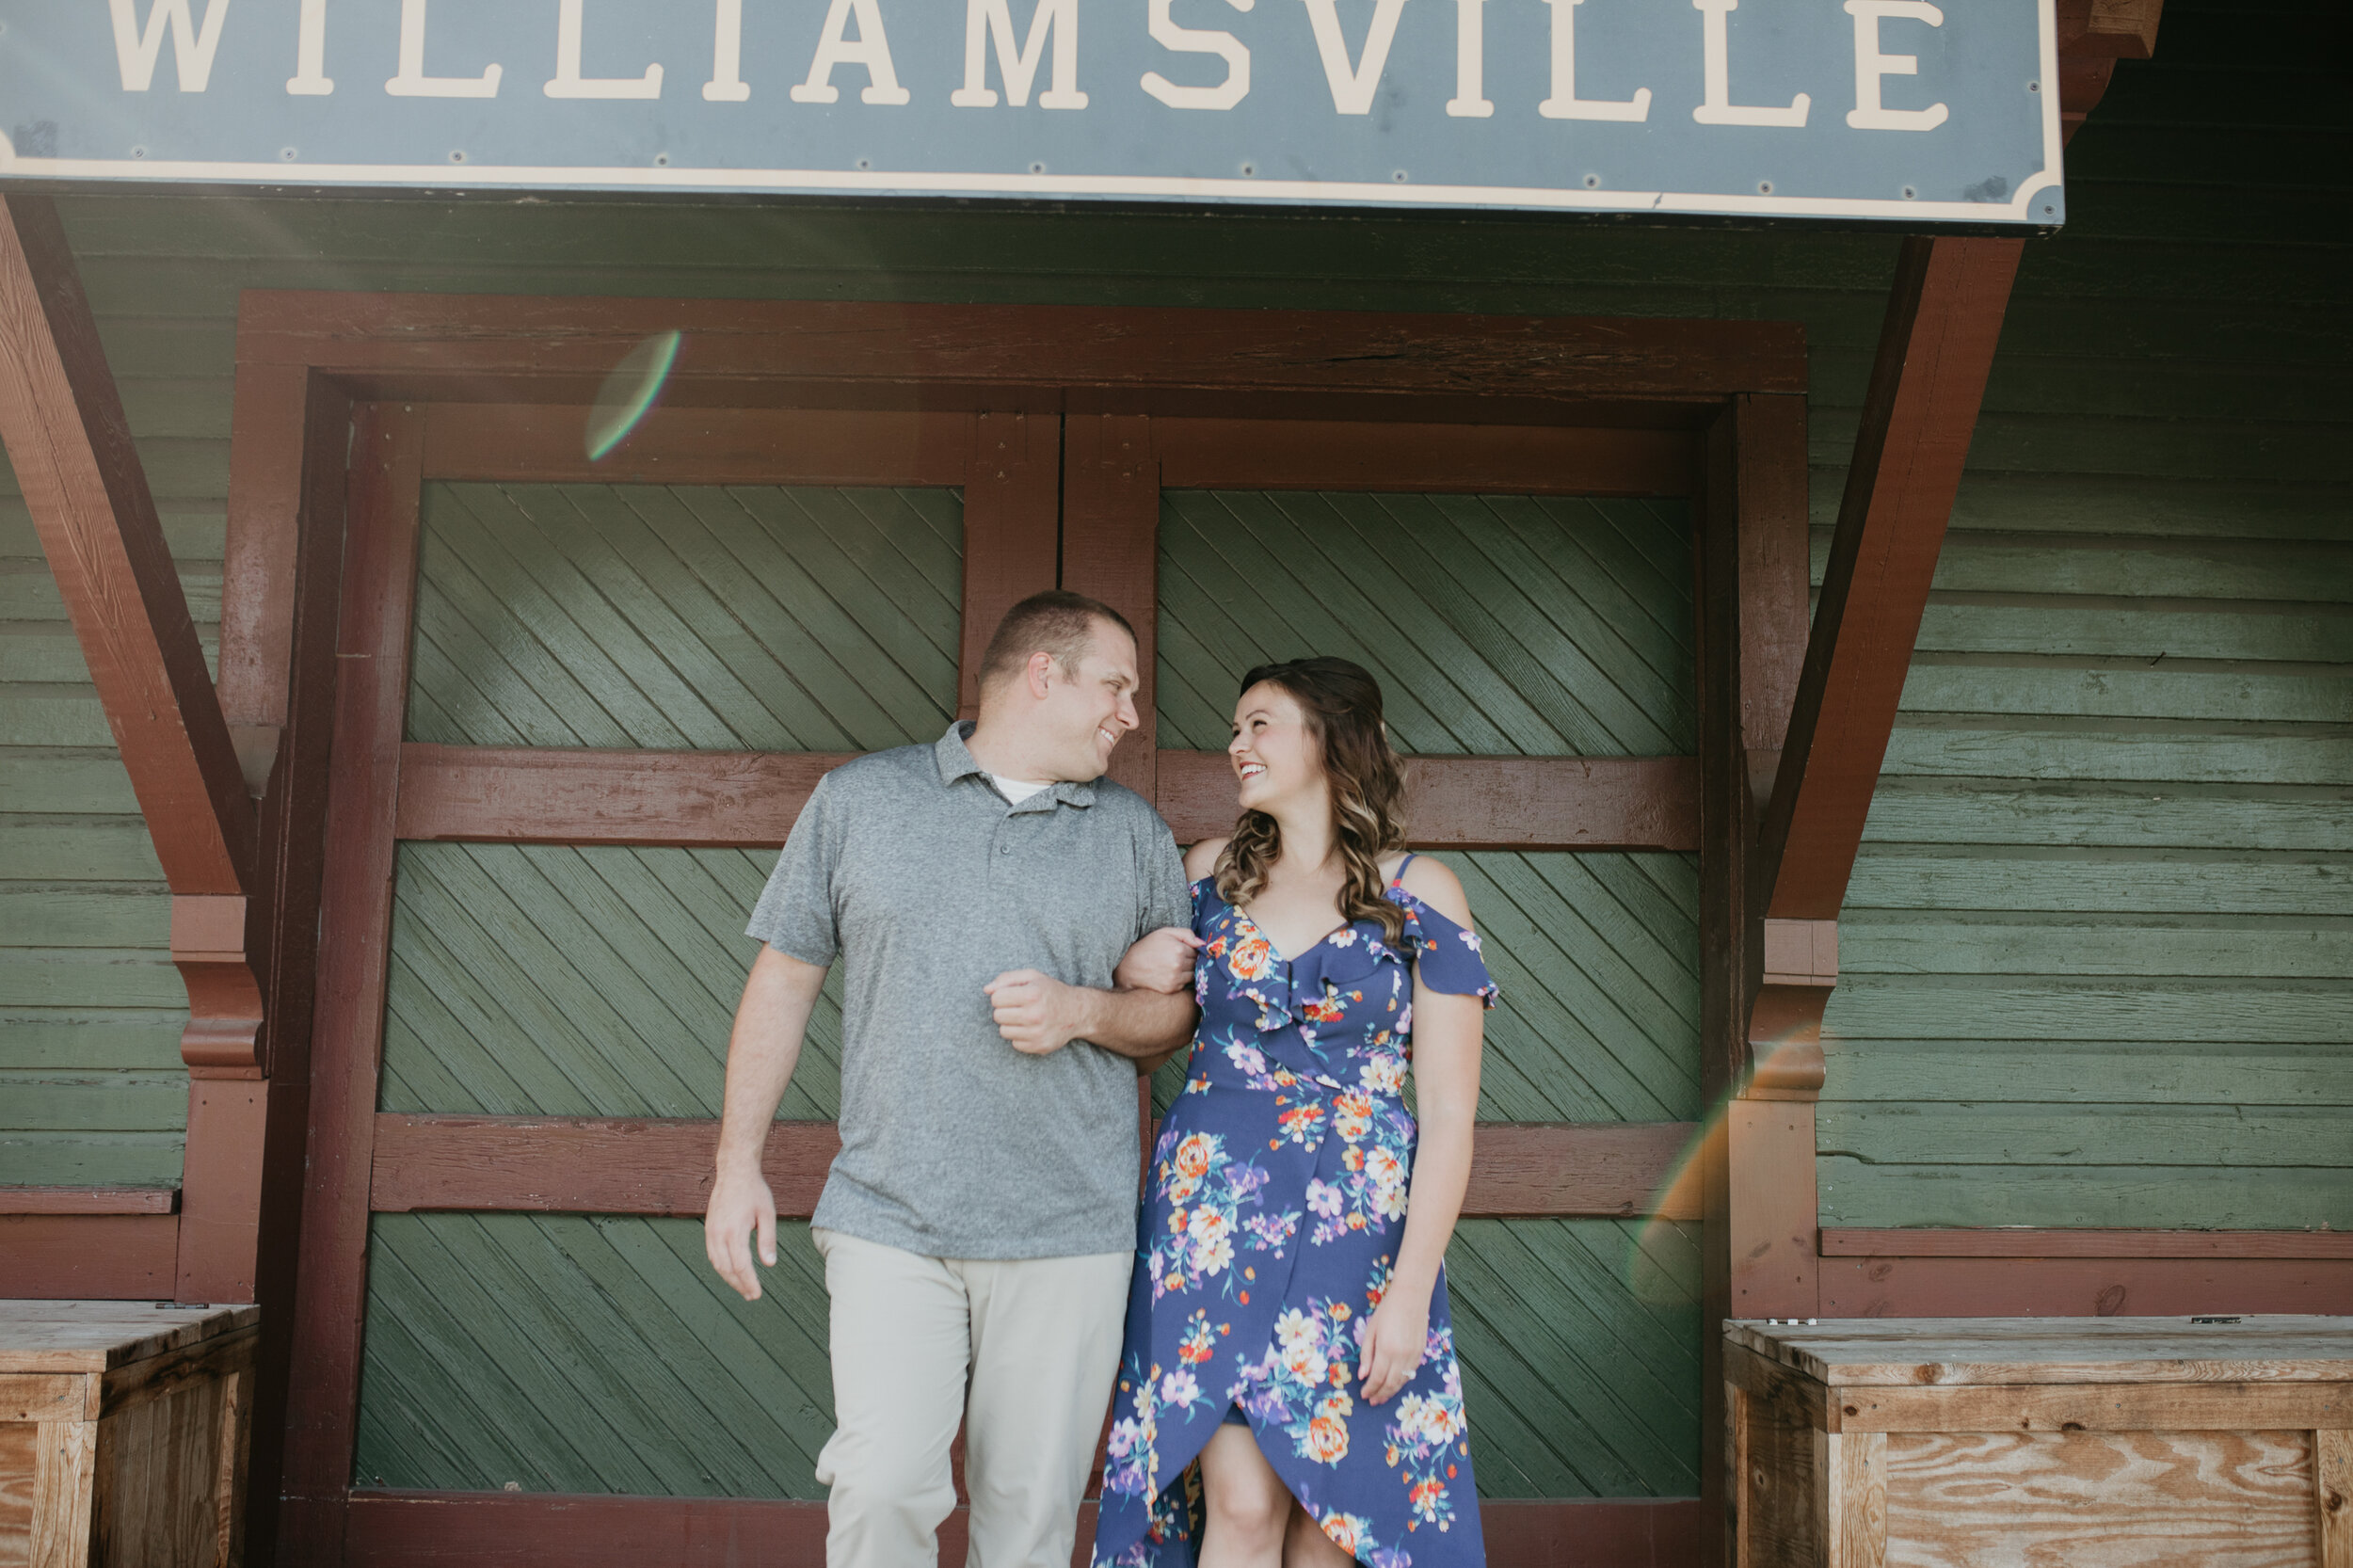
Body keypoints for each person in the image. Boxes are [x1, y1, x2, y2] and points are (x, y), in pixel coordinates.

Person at [703, 589, 1200, 1568]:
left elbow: (1173, 1020)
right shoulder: (859, 800)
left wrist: (1083, 1009)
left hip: (1069, 1230)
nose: (1131, 716)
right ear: (1042, 674)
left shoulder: (1132, 832)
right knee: (882, 1484)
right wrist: (736, 1164)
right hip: (895, 1217)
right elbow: (783, 982)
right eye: (1116, 686)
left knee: (1028, 1520)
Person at [1093, 657, 1496, 1568]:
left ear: (1331, 738)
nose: (1236, 745)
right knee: (1236, 1505)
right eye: (1236, 728)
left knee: (1334, 1519)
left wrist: (1406, 1296)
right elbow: (1147, 1023)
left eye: (1260, 724)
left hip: (1360, 1227)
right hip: (1210, 1218)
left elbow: (1448, 1111)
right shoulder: (1206, 874)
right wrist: (1130, 968)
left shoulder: (1421, 891)